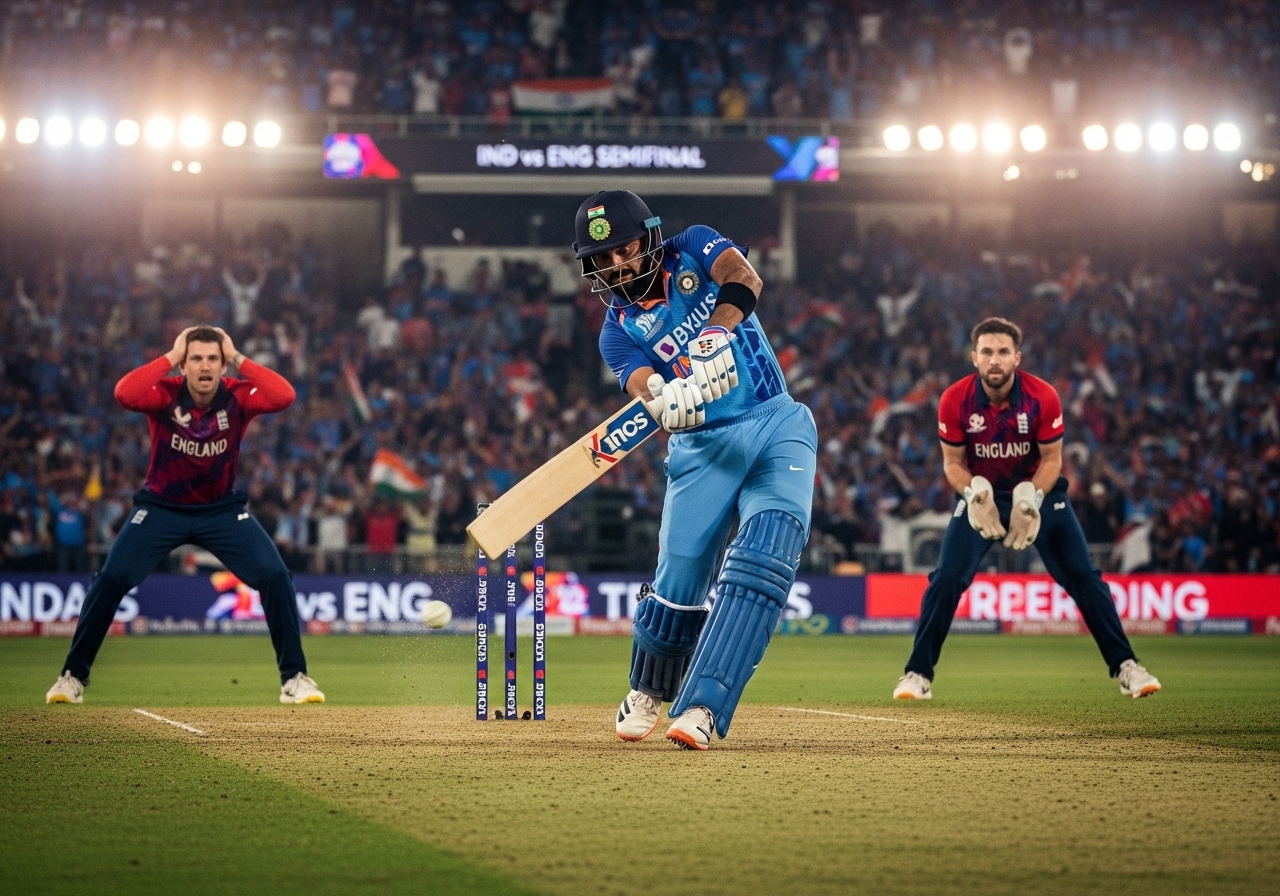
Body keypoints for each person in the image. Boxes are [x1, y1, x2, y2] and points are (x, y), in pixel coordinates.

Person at [572, 190, 817, 750]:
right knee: (677, 586)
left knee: (766, 555)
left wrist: (717, 331)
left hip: (774, 422)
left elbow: (743, 278)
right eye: (604, 260)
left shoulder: (692, 247)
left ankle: (704, 705)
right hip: (698, 448)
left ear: (650, 237)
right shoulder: (616, 331)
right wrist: (663, 396)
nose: (620, 265)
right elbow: (639, 386)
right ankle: (647, 687)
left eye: (627, 248)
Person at [46, 326, 323, 705]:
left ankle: (295, 678)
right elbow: (124, 393)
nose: (205, 367)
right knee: (111, 578)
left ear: (223, 365)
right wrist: (170, 357)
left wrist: (239, 358)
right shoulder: (165, 392)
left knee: (275, 576)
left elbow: (285, 396)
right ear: (185, 364)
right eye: (196, 359)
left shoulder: (238, 396)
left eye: (212, 359)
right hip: (161, 508)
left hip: (220, 511)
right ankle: (72, 677)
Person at [893, 318, 1160, 701]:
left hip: (1040, 493)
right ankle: (918, 674)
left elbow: (1053, 460)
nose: (995, 360)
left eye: (1003, 352)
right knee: (946, 579)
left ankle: (1127, 667)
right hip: (982, 497)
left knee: (1085, 577)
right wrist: (972, 495)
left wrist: (1030, 499)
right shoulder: (954, 399)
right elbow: (952, 464)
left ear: (1017, 357)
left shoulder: (1042, 396)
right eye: (987, 352)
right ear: (974, 358)